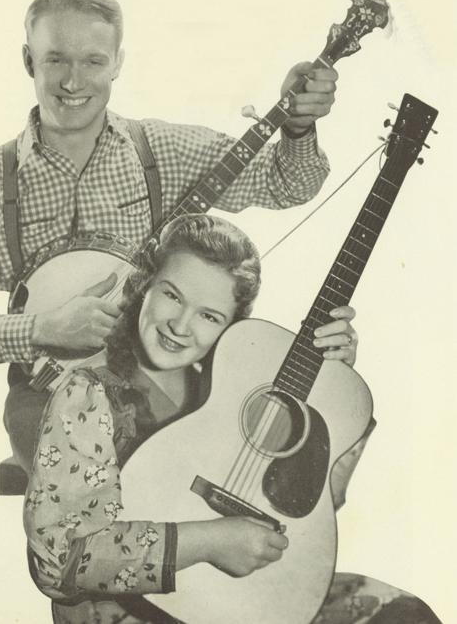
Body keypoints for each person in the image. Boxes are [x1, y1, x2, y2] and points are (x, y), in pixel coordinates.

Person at [0, 0, 339, 472]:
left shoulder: (157, 151)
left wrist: (298, 127)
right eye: (56, 60)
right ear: (29, 60)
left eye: (93, 61)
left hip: (164, 392)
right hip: (49, 402)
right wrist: (44, 329)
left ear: (117, 63)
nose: (73, 81)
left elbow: (288, 184)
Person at [24, 215, 441, 624]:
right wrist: (211, 541)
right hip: (133, 608)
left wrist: (334, 389)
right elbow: (57, 565)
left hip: (242, 603)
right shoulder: (88, 393)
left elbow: (315, 504)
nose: (181, 326)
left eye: (209, 316)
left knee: (406, 616)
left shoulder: (232, 391)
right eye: (172, 295)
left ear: (231, 325)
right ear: (143, 285)